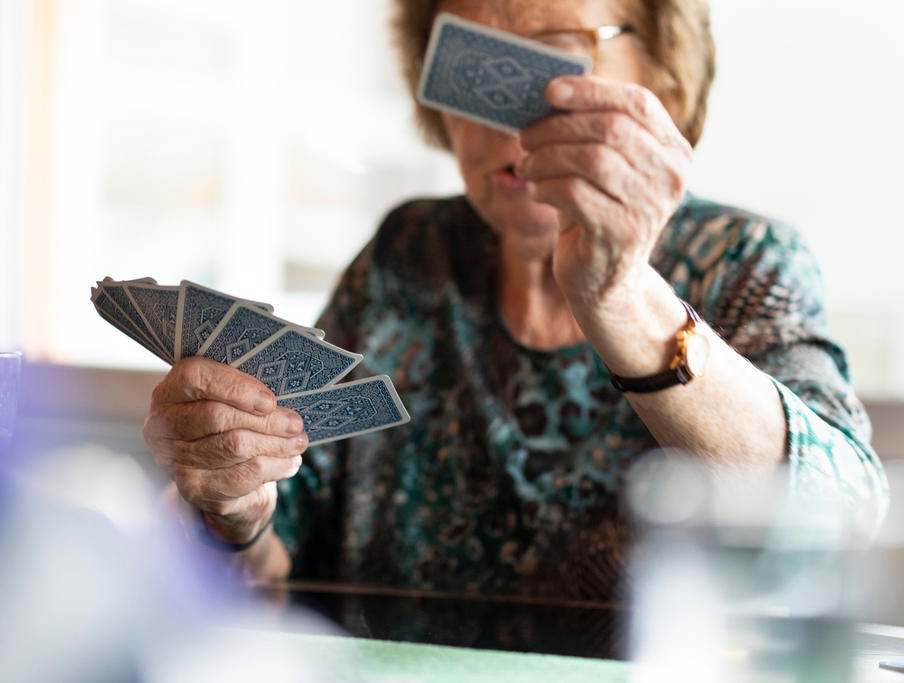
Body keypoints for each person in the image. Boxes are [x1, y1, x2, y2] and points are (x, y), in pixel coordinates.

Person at [142, 0, 888, 600]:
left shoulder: (745, 261)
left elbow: (840, 525)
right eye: (472, 69)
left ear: (661, 76)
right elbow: (267, 566)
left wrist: (621, 296)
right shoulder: (408, 256)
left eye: (553, 60)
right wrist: (232, 507)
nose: (506, 121)